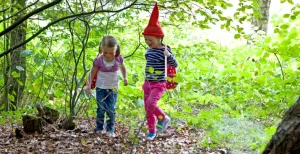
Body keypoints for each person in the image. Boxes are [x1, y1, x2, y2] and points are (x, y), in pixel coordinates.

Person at [141, 2, 178, 140]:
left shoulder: (165, 50)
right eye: (145, 39)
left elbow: (174, 64)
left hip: (159, 83)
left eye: (150, 39)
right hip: (148, 82)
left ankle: (163, 118)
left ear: (159, 38)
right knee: (147, 109)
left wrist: (169, 56)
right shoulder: (149, 51)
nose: (147, 42)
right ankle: (152, 131)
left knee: (151, 104)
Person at [85, 35, 128, 137]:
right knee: (100, 108)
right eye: (105, 53)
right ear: (101, 49)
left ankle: (110, 130)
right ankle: (99, 128)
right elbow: (92, 72)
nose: (108, 55)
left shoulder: (118, 59)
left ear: (116, 49)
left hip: (113, 89)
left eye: (111, 53)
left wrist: (125, 77)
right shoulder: (99, 60)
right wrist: (88, 85)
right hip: (100, 88)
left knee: (111, 109)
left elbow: (123, 68)